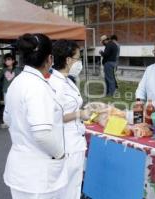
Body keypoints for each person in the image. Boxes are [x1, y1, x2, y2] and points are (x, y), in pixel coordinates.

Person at [3, 33, 67, 199]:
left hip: (20, 169)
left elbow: (7, 119)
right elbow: (42, 134)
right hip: (38, 175)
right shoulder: (37, 87)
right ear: (50, 59)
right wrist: (61, 154)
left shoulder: (17, 82)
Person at [49, 39, 93, 199]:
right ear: (68, 60)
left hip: (75, 140)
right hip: (65, 144)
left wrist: (84, 111)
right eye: (78, 58)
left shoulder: (68, 80)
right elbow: (52, 116)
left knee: (74, 187)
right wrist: (79, 114)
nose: (80, 62)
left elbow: (72, 106)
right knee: (65, 190)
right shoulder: (53, 83)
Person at [0, 53, 21, 128]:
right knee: (7, 106)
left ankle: (16, 122)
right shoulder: (3, 70)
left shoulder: (18, 70)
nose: (7, 61)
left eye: (9, 59)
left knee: (16, 106)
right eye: (6, 60)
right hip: (5, 91)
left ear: (13, 61)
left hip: (16, 91)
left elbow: (22, 80)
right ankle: (6, 122)